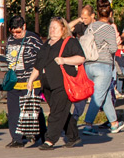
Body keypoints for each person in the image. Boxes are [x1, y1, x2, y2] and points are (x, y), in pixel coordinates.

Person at [29, 17, 85, 150]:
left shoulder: (69, 42)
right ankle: (73, 136)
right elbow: (38, 64)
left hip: (63, 83)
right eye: (51, 27)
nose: (52, 30)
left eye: (55, 27)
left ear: (63, 29)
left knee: (56, 113)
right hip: (47, 85)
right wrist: (31, 80)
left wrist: (64, 60)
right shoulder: (47, 44)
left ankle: (50, 140)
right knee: (60, 110)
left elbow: (81, 58)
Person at [78, 2, 124, 134]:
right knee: (98, 96)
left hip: (89, 65)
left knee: (104, 95)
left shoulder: (90, 27)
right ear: (110, 14)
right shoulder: (109, 28)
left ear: (97, 14)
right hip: (103, 66)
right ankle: (88, 125)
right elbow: (113, 48)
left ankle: (114, 123)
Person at [1, 15, 44, 148]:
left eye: (18, 31)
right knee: (13, 110)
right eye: (12, 31)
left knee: (31, 109)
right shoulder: (10, 40)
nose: (15, 34)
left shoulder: (33, 39)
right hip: (14, 81)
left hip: (30, 81)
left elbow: (42, 57)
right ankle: (17, 139)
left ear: (24, 27)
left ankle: (42, 133)